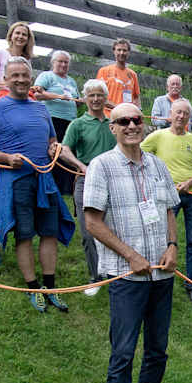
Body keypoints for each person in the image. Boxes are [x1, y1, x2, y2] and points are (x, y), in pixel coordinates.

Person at [82, 103, 181, 383]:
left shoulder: (157, 165)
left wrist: (172, 245)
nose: (131, 125)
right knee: (123, 353)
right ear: (112, 127)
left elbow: (170, 208)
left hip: (162, 273)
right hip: (127, 276)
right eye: (123, 121)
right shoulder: (101, 167)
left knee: (157, 348)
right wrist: (131, 257)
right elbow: (92, 222)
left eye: (137, 119)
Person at [0, 57, 76, 313]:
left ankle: (50, 287)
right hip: (16, 179)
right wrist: (6, 158)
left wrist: (53, 147)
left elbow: (52, 139)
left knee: (49, 231)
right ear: (6, 79)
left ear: (31, 79)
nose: (20, 79)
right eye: (15, 75)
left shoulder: (41, 108)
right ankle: (33, 287)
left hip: (44, 178)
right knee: (25, 234)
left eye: (24, 75)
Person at [142, 99, 192, 308]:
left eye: (185, 114)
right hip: (166, 196)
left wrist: (190, 182)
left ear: (189, 117)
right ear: (170, 114)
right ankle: (158, 279)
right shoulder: (158, 136)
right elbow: (138, 154)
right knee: (163, 237)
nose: (181, 117)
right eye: (177, 113)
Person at [61, 79, 116, 295]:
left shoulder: (113, 123)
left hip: (112, 180)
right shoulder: (78, 124)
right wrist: (82, 167)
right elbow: (65, 150)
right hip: (85, 181)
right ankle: (95, 276)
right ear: (85, 99)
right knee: (88, 231)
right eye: (91, 95)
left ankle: (113, 271)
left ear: (105, 98)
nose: (95, 99)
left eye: (99, 95)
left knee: (112, 228)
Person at [32, 49, 82, 198]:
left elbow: (76, 100)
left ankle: (66, 187)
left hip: (69, 121)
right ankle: (49, 183)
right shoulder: (47, 76)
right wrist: (59, 97)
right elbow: (37, 94)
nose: (63, 64)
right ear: (53, 62)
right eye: (60, 61)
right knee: (53, 151)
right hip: (52, 119)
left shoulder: (71, 81)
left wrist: (79, 101)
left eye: (66, 62)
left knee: (67, 151)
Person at [0, 20, 34, 96]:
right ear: (11, 36)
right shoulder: (0, 52)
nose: (20, 36)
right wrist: (7, 84)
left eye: (24, 34)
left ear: (28, 39)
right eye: (17, 33)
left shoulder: (27, 58)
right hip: (6, 94)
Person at [96, 37, 140, 115]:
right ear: (114, 51)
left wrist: (136, 111)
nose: (122, 53)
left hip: (127, 117)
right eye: (119, 50)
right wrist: (118, 108)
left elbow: (136, 97)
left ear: (128, 52)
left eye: (124, 50)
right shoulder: (104, 71)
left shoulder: (133, 74)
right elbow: (99, 96)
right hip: (109, 116)